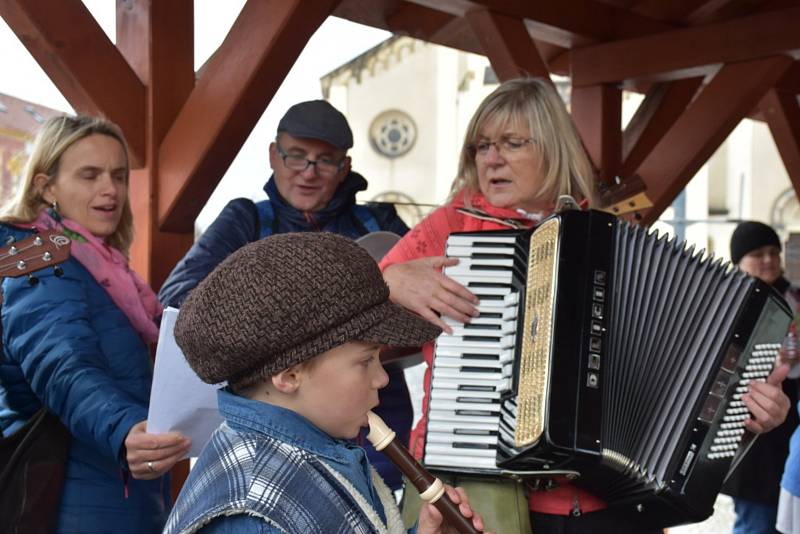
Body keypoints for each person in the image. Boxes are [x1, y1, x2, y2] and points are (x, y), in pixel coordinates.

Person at [379, 78, 792, 533]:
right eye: (481, 146)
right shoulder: (449, 229)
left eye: (512, 143)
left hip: (611, 503)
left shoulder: (601, 239)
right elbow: (343, 330)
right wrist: (386, 282)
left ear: (554, 149)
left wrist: (744, 412)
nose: (491, 158)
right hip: (489, 499)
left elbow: (678, 386)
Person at [158, 99, 413, 491]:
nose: (308, 172)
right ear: (273, 156)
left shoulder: (381, 223)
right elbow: (177, 298)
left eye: (325, 160)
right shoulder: (244, 219)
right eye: (296, 156)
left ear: (345, 167)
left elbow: (430, 309)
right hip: (277, 422)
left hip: (378, 412)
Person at [164, 232, 486, 533]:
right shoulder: (252, 515)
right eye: (365, 360)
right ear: (290, 375)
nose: (382, 377)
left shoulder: (320, 443)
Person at [0, 115, 190, 533]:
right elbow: (62, 362)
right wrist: (122, 429)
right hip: (74, 496)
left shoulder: (103, 267)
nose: (111, 190)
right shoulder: (39, 256)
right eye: (90, 175)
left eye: (119, 176)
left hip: (124, 488)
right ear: (46, 186)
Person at [723, 222, 800, 534]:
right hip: (748, 417)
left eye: (773, 252)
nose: (768, 260)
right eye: (758, 254)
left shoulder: (796, 296)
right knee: (756, 518)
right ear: (739, 262)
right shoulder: (727, 301)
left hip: (792, 412)